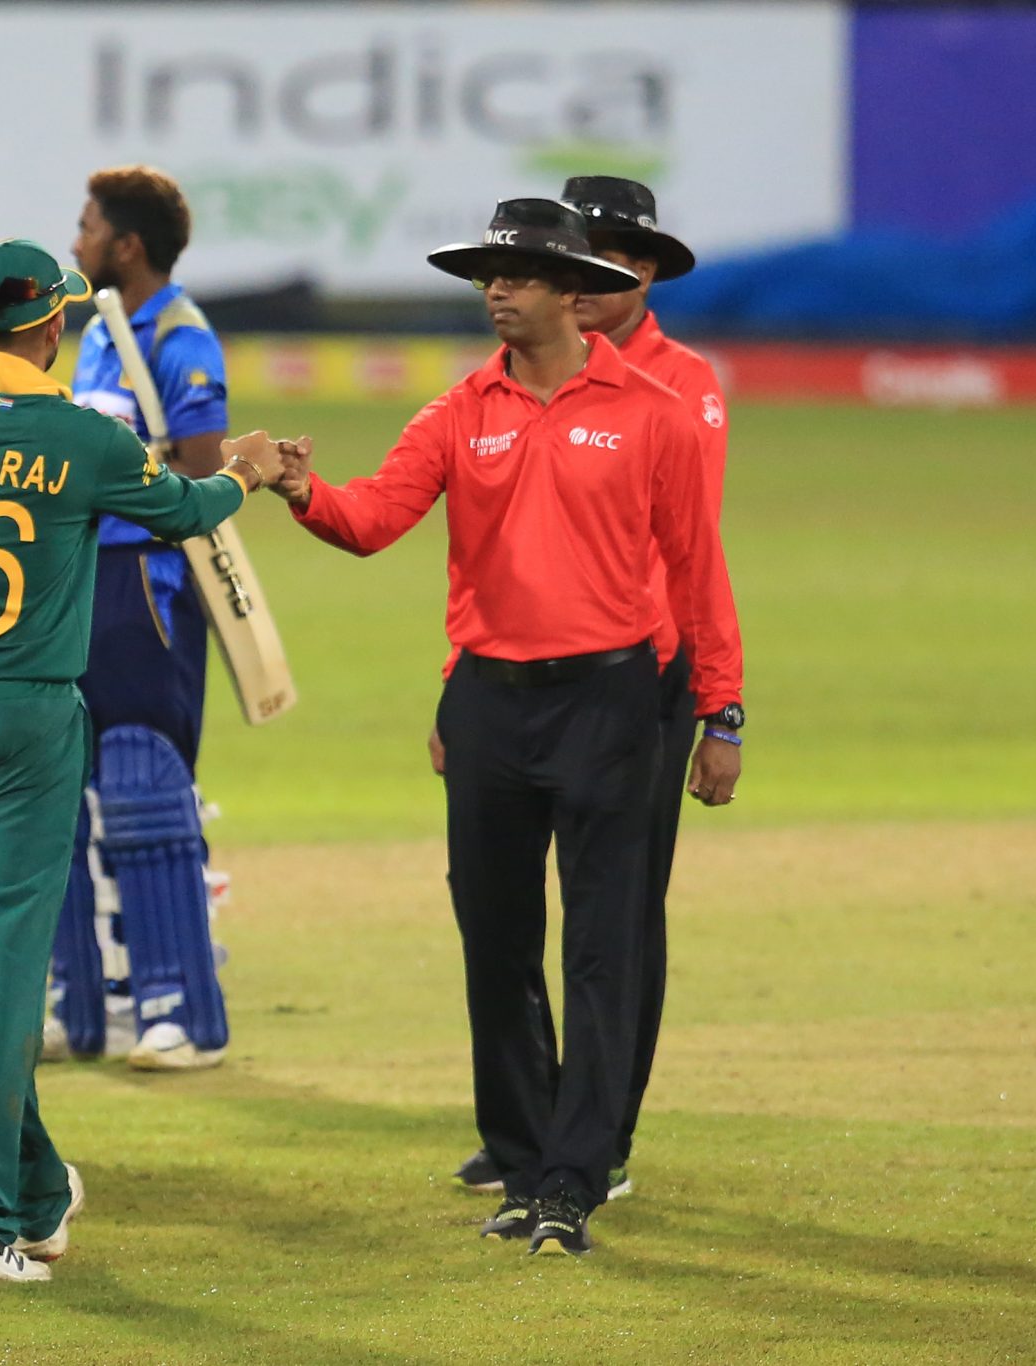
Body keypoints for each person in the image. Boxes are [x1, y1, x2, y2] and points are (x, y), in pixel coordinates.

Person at [273, 198, 745, 1257]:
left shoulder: (652, 412)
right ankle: (526, 1165)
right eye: (488, 273)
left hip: (610, 701)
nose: (495, 289)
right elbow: (374, 519)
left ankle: (577, 1178)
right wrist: (305, 491)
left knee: (600, 947)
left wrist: (721, 711)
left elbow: (696, 573)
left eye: (518, 273)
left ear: (570, 291)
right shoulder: (455, 411)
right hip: (488, 701)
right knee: (493, 941)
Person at [0, 239, 288, 1282]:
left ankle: (31, 1188)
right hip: (25, 718)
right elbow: (186, 511)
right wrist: (248, 472)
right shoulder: (84, 437)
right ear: (50, 327)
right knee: (0, 956)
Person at [444, 177, 733, 1201]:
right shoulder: (498, 388)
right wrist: (460, 675)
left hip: (636, 669)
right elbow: (486, 555)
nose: (597, 278)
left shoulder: (677, 388)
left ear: (641, 272)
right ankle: (531, 1128)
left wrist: (703, 696)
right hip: (519, 670)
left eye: (613, 259)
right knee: (504, 914)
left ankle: (600, 1134)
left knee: (617, 918)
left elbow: (682, 549)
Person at [44, 164, 235, 1071]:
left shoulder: (179, 333)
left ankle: (178, 1014)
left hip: (146, 582)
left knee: (142, 785)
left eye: (88, 228)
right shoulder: (99, 332)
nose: (75, 241)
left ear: (126, 245)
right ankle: (76, 1008)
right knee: (58, 792)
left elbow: (201, 472)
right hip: (78, 575)